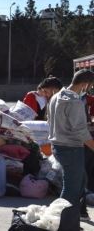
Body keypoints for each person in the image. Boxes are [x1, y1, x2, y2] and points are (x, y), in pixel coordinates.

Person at [47, 69, 94, 221]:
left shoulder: (56, 96)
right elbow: (81, 131)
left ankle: (74, 217)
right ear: (85, 84)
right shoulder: (74, 102)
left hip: (59, 146)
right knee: (71, 189)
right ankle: (60, 222)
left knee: (80, 181)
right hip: (71, 148)